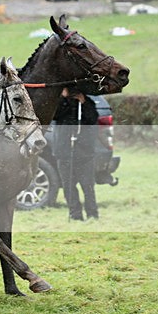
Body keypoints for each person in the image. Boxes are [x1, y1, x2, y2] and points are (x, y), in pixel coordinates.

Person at [52, 89, 100, 221]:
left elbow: (92, 119)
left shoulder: (87, 102)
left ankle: (92, 214)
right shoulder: (58, 102)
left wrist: (83, 103)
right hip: (64, 151)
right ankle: (75, 214)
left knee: (88, 186)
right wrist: (64, 98)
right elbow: (55, 115)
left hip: (84, 152)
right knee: (68, 186)